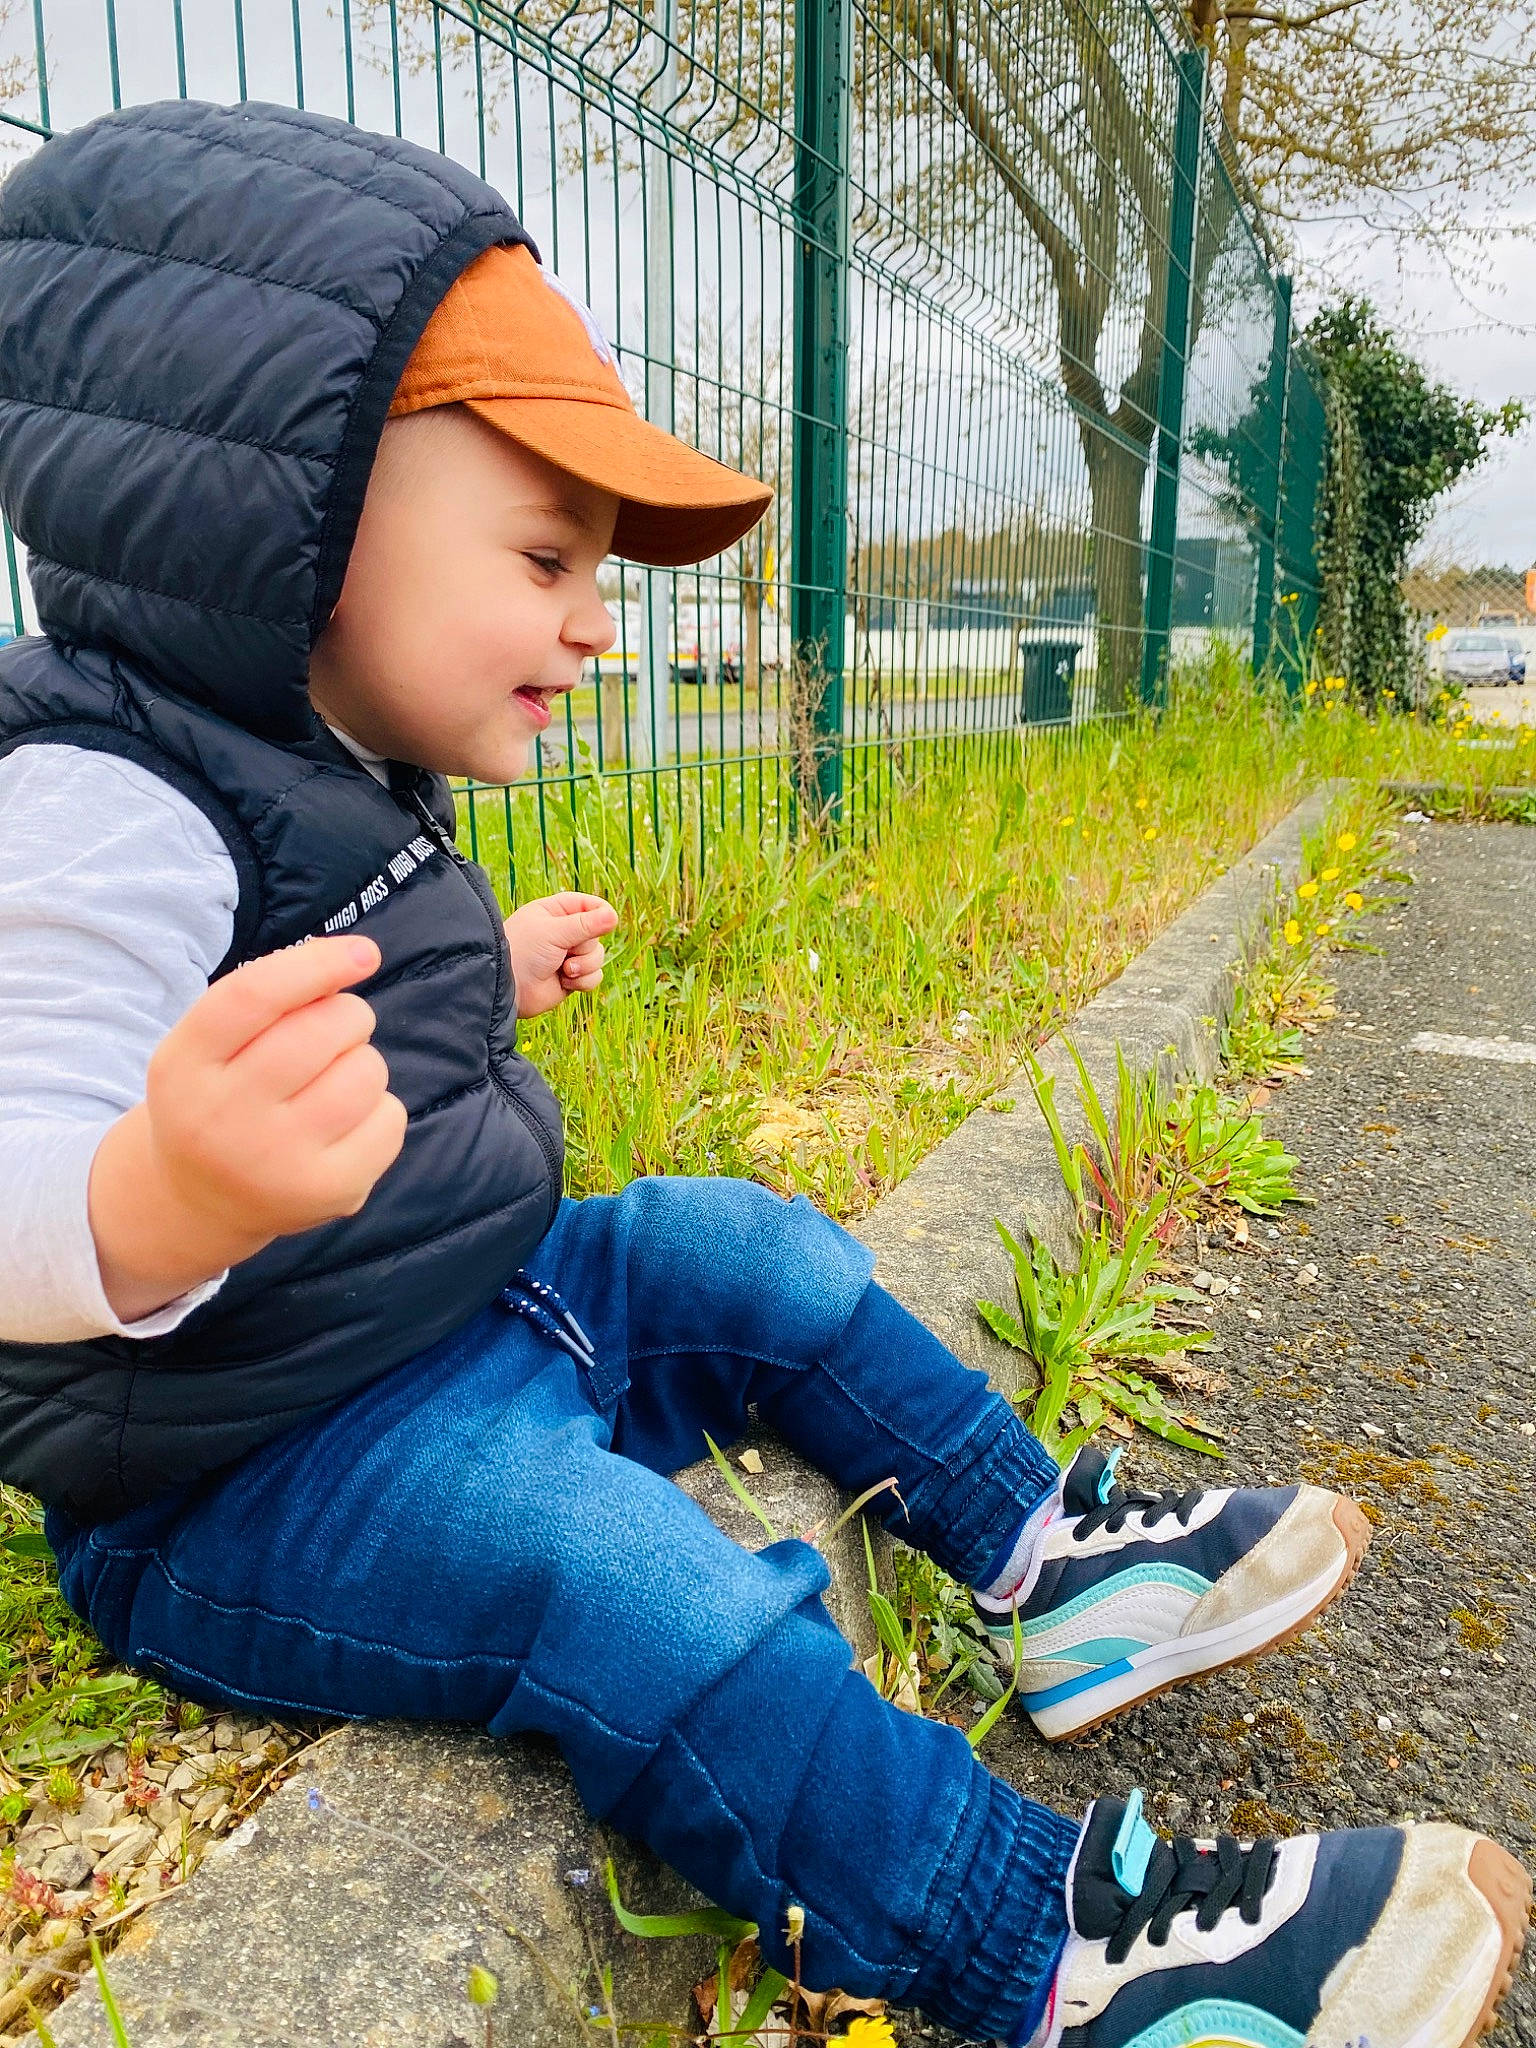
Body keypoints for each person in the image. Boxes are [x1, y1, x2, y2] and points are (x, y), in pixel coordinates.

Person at [0, 98, 1524, 2048]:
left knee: (741, 1246)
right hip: (248, 1475)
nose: (593, 619)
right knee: (625, 1573)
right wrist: (161, 1197)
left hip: (465, 1313)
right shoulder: (96, 803)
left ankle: (1053, 1557)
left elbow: (329, 1010)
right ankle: (1055, 1949)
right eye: (544, 553)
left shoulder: (331, 757)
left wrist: (481, 981)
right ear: (283, 518)